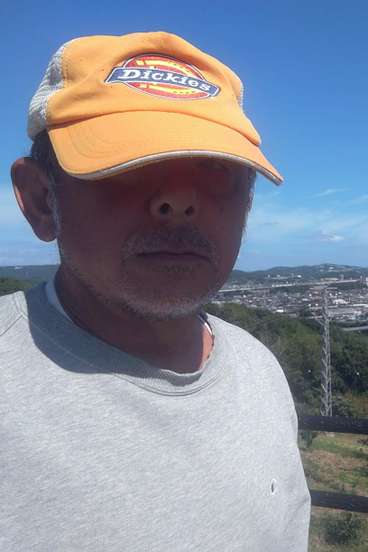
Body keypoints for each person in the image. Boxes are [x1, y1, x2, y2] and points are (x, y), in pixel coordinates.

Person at [1, 31, 310, 551]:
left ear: (248, 206)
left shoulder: (261, 372)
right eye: (128, 164)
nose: (179, 199)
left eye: (217, 170)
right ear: (40, 200)